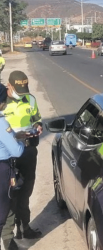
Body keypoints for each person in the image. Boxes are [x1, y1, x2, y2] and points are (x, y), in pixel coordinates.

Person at [2, 71, 43, 249]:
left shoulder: (30, 99)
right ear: (9, 86)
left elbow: (37, 118)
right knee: (11, 194)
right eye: (18, 88)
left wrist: (37, 126)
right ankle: (8, 237)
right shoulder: (2, 101)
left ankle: (24, 228)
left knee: (26, 190)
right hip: (9, 155)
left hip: (27, 150)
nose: (22, 92)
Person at [0, 83, 25, 250]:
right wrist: (21, 140)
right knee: (4, 210)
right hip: (2, 169)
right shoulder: (1, 122)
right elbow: (16, 151)